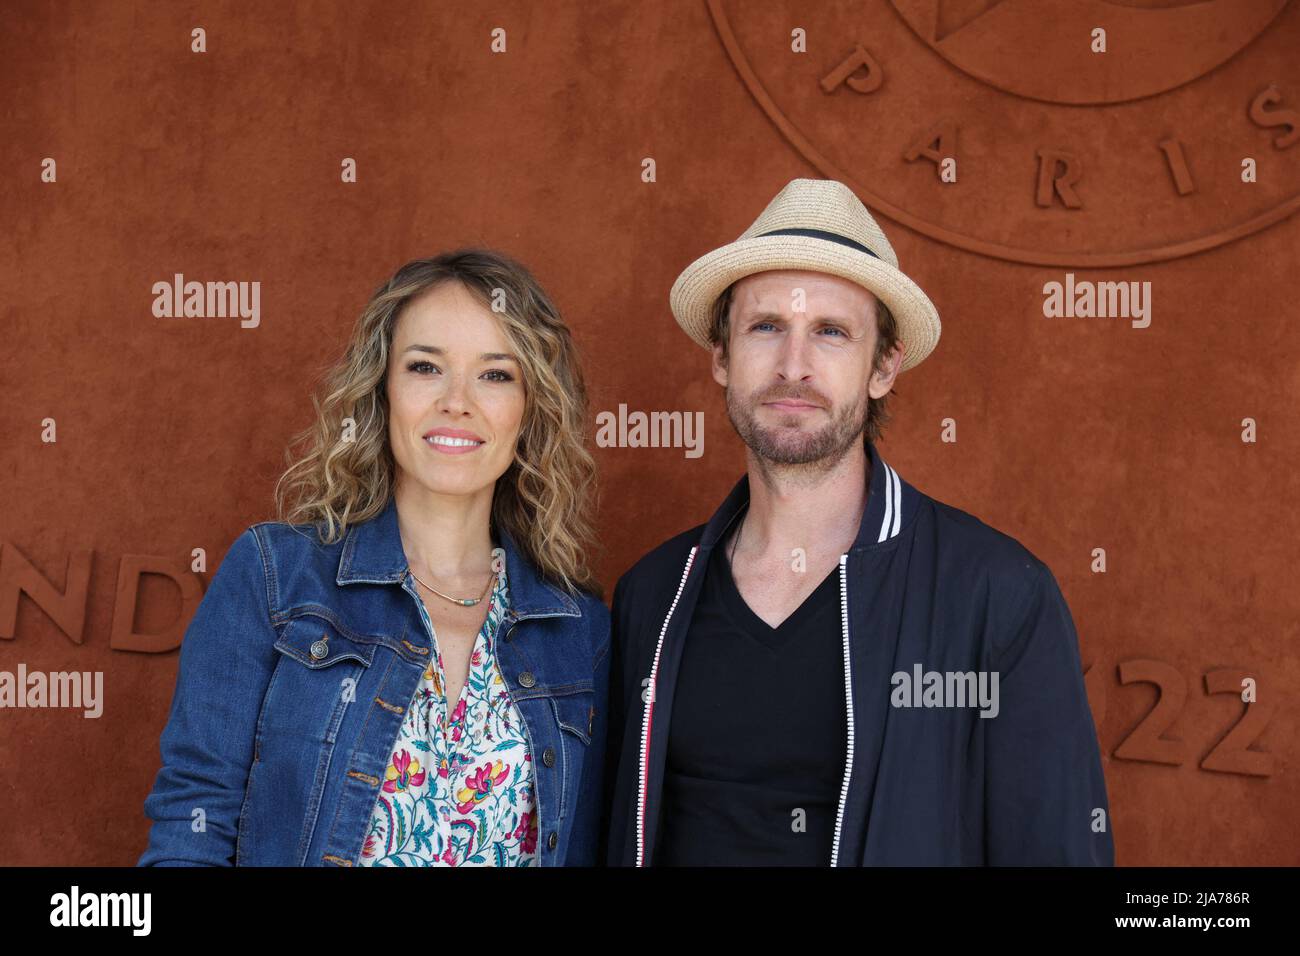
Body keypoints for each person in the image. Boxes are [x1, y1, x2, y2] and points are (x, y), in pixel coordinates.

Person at [601, 178, 1114, 866]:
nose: (794, 367)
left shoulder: (997, 595)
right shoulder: (653, 593)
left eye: (831, 332)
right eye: (766, 326)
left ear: (883, 367)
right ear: (721, 356)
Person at [138, 249, 610, 866]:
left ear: (530, 409)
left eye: (496, 375)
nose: (457, 401)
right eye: (425, 367)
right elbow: (193, 823)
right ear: (383, 391)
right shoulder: (276, 577)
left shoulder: (576, 627)